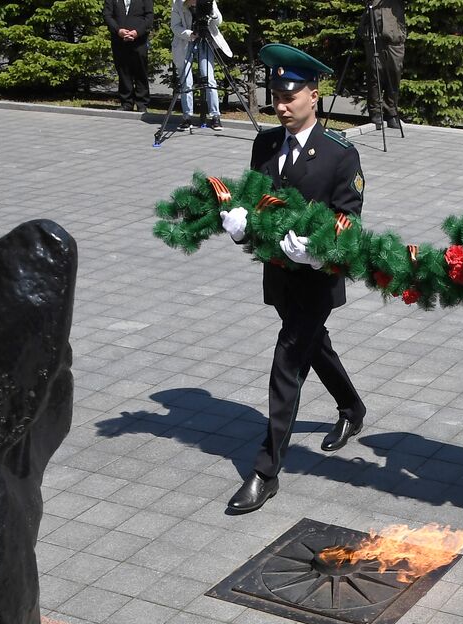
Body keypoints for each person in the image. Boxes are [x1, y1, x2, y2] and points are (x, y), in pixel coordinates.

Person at [221, 44, 368, 514]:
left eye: (290, 97)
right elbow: (252, 196)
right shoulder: (265, 144)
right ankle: (352, 407)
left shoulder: (340, 154)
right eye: (275, 98)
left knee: (288, 362)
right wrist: (239, 221)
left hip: (317, 277)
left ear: (314, 95)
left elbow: (349, 218)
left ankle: (266, 471)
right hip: (279, 274)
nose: (281, 107)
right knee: (312, 344)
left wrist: (319, 247)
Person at [171, 0, 232, 131]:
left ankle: (215, 116)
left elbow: (218, 21)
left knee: (209, 77)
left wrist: (212, 12)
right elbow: (175, 26)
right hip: (186, 42)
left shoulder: (208, 1)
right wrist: (190, 34)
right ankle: (187, 117)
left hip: (206, 39)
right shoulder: (177, 3)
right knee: (186, 81)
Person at [362, 0, 407, 129]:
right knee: (375, 73)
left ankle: (391, 112)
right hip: (373, 31)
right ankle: (375, 112)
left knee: (395, 73)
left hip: (395, 33)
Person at [103, 0, 154, 112]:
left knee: (140, 71)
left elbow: (149, 17)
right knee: (123, 71)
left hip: (139, 40)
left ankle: (142, 104)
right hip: (119, 40)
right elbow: (107, 15)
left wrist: (137, 32)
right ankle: (126, 103)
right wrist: (118, 30)